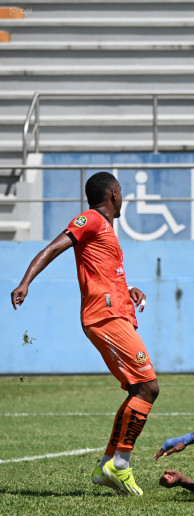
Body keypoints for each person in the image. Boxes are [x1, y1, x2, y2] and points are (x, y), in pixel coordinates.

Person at [10, 171, 158, 496]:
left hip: (116, 311)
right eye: (121, 192)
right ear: (113, 195)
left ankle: (111, 464)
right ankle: (117, 465)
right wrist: (26, 281)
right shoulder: (90, 219)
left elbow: (104, 272)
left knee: (139, 389)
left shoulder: (106, 231)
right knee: (148, 387)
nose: (123, 198)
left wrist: (129, 289)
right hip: (105, 316)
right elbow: (54, 247)